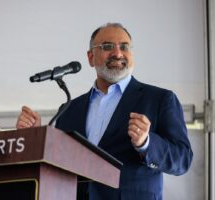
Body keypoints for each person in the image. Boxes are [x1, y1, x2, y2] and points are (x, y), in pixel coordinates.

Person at [15, 23, 193, 200]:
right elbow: (58, 165)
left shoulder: (159, 99)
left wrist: (146, 143)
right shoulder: (70, 109)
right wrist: (35, 139)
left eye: (124, 46)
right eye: (107, 46)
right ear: (91, 57)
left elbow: (182, 159)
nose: (117, 53)